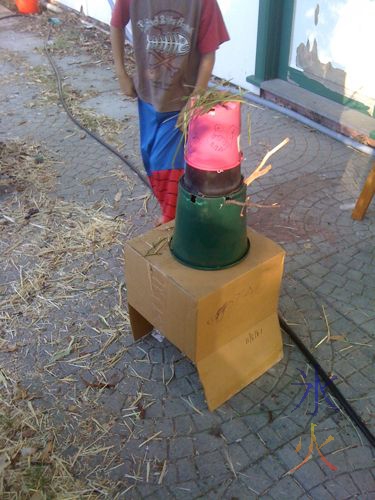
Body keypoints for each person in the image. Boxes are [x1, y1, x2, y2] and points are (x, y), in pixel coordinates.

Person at [110, 0, 229, 224]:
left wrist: (195, 98)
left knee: (165, 164)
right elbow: (116, 25)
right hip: (147, 96)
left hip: (180, 101)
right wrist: (121, 74)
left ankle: (173, 219)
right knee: (148, 156)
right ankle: (172, 209)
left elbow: (208, 54)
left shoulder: (203, 3)